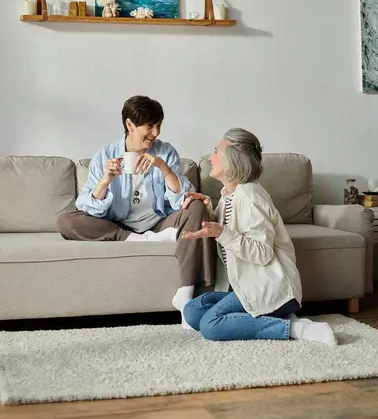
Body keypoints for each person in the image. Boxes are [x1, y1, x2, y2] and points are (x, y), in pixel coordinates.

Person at [57, 96, 216, 326]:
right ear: (130, 125)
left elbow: (183, 199)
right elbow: (86, 205)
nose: (156, 133)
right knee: (65, 221)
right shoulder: (105, 155)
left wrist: (163, 168)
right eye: (150, 126)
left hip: (160, 222)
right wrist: (105, 180)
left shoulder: (166, 152)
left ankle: (186, 294)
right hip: (119, 225)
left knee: (198, 207)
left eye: (159, 125)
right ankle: (137, 238)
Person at [182, 128, 337, 345]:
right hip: (248, 286)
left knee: (210, 324)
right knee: (193, 310)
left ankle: (295, 327)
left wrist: (221, 232)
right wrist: (210, 208)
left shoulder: (250, 195)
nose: (210, 158)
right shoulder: (230, 196)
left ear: (232, 160)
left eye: (216, 152)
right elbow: (233, 230)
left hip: (271, 287)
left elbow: (262, 253)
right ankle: (273, 315)